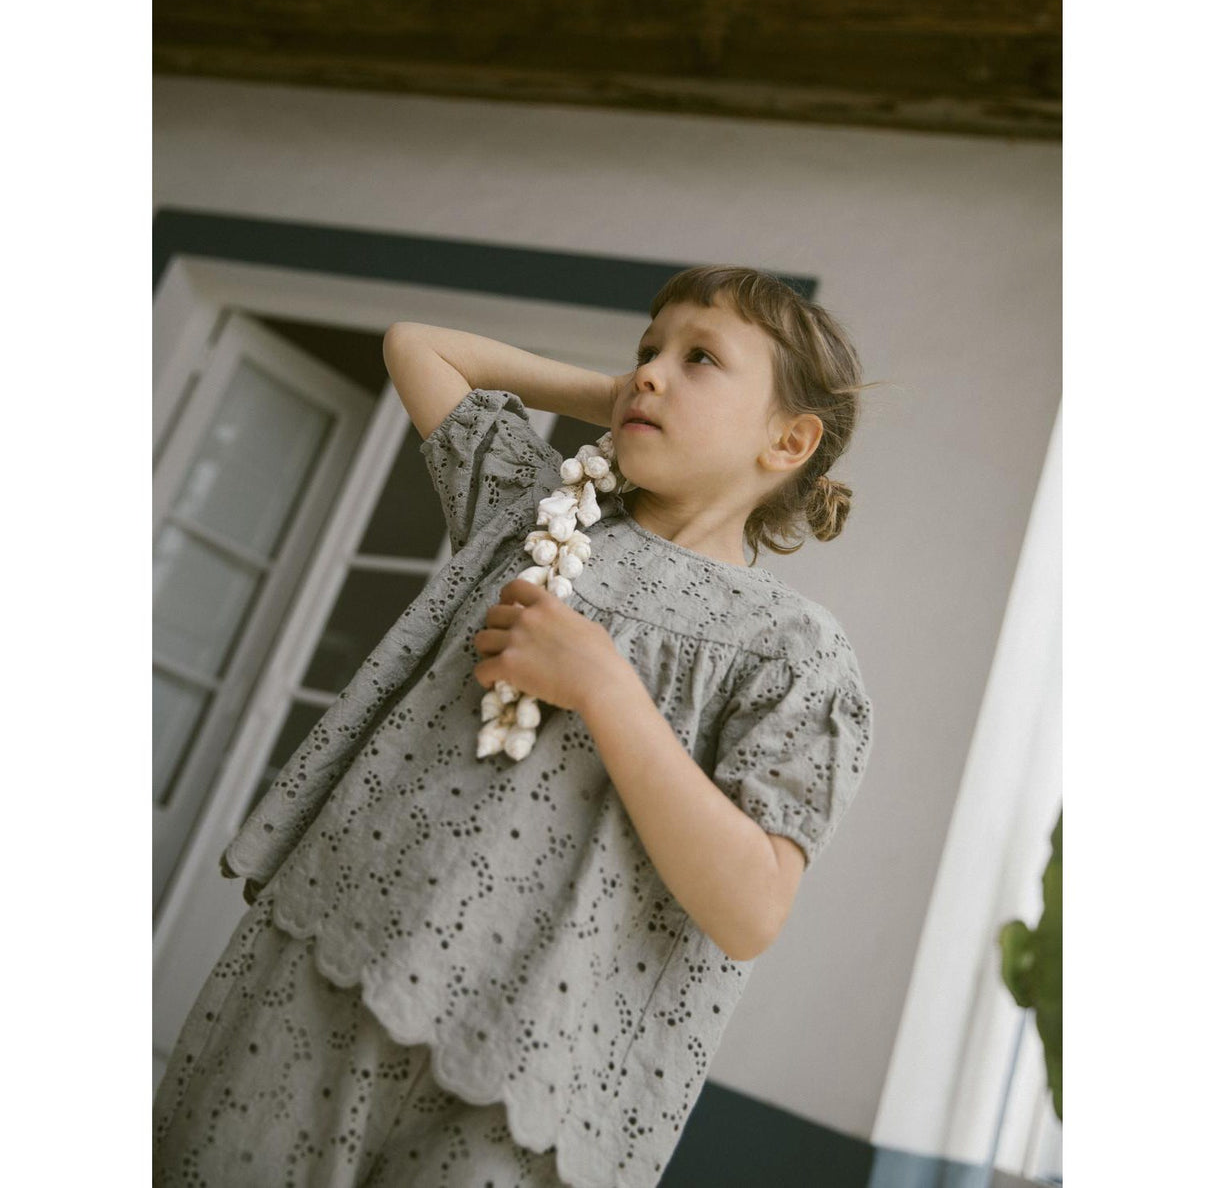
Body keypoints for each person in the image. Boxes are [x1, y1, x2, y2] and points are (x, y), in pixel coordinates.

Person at [153, 264, 877, 1187]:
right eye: (647, 349)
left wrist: (607, 689)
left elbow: (750, 910)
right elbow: (418, 346)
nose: (652, 370)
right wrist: (611, 395)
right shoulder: (532, 513)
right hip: (332, 955)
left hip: (524, 1072)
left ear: (790, 439)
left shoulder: (797, 654)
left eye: (700, 358)